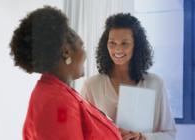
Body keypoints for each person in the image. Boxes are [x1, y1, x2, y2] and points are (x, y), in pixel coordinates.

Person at [9, 6, 138, 140]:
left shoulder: (60, 91)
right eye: (82, 47)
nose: (86, 53)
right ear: (66, 52)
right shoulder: (58, 102)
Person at [80, 13, 177, 140]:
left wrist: (143, 138)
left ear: (136, 45)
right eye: (112, 43)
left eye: (125, 43)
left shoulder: (155, 83)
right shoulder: (91, 85)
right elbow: (81, 132)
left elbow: (169, 134)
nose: (117, 49)